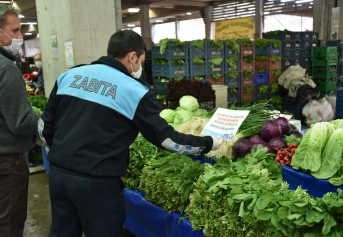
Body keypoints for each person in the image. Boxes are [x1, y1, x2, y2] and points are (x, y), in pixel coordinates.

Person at [38, 30, 223, 237]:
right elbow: (168, 140)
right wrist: (208, 143)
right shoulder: (134, 91)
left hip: (59, 178)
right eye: (141, 60)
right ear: (132, 56)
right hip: (97, 186)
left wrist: (62, 157)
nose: (140, 67)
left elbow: (45, 127)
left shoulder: (70, 75)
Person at [0, 4, 40, 237]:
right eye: (14, 31)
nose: (19, 36)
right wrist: (47, 120)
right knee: (9, 223)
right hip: (8, 162)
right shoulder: (6, 68)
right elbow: (20, 121)